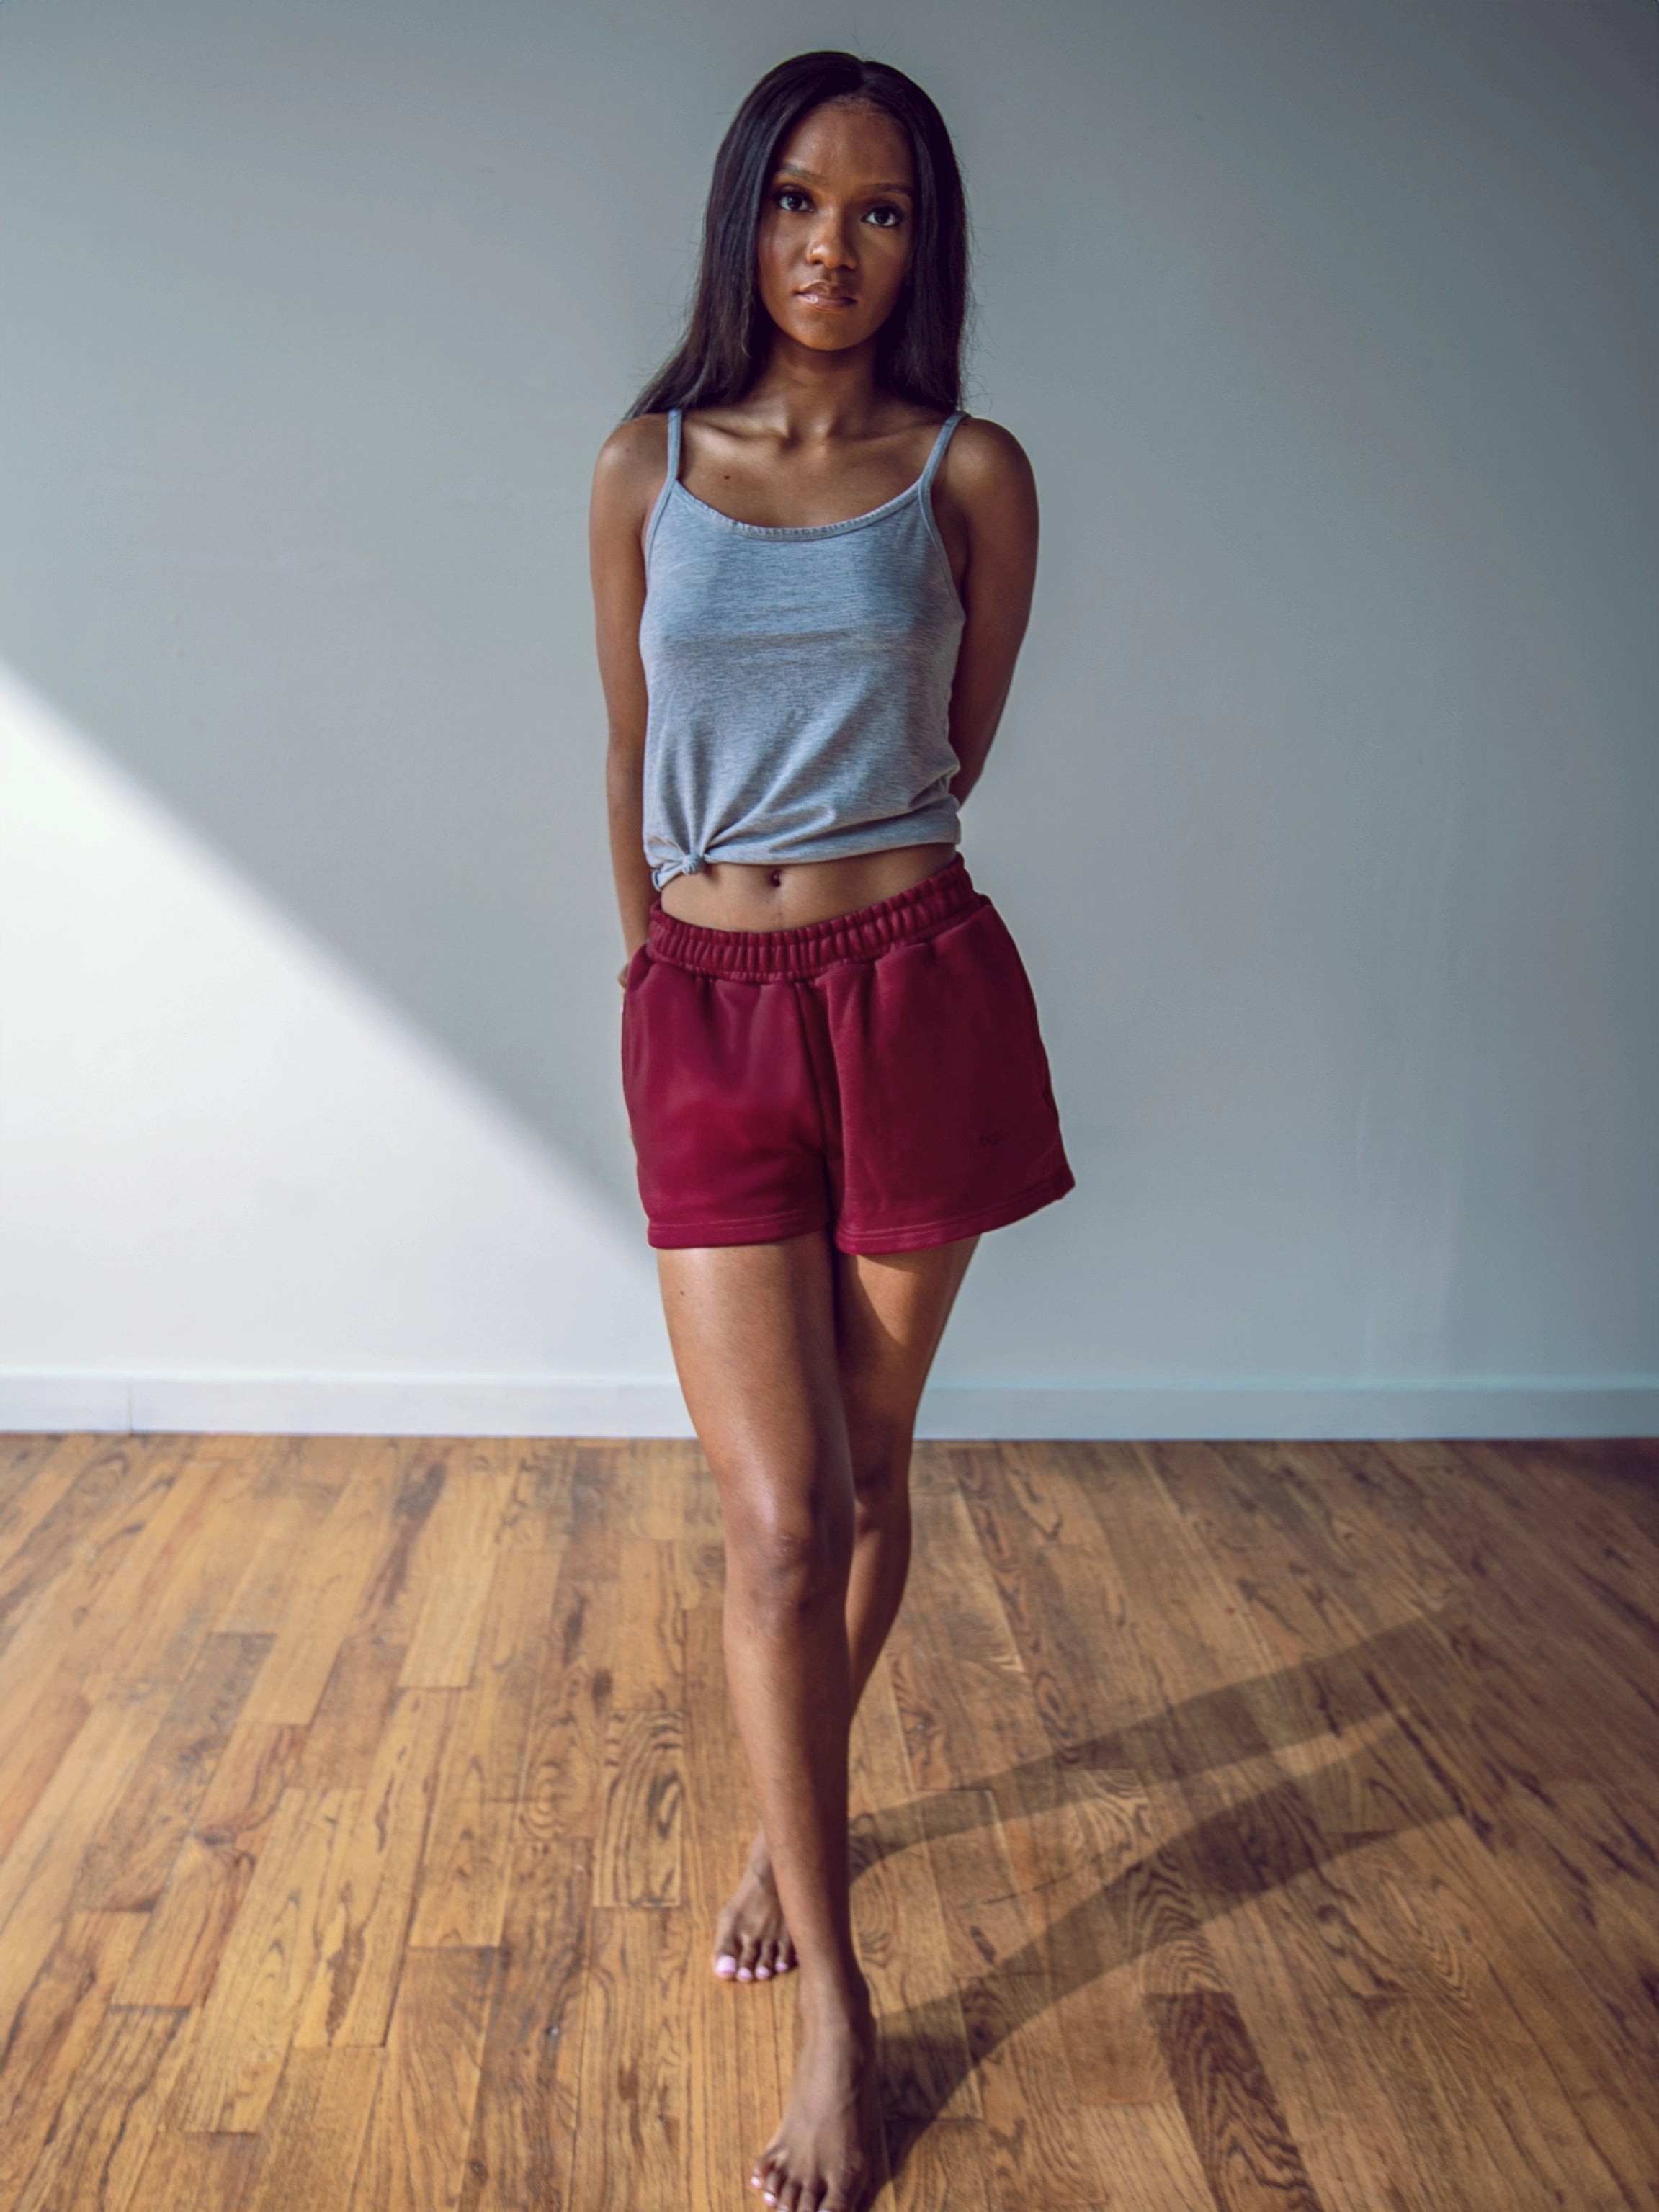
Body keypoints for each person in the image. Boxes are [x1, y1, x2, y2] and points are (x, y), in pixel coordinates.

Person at [589, 49, 1074, 2212]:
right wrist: (668, 979)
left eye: (881, 213)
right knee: (780, 1516)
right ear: (742, 214)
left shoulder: (970, 473)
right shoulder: (643, 466)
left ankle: (797, 1835)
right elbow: (635, 758)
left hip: (913, 991)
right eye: (800, 200)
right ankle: (839, 2003)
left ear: (924, 242)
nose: (833, 248)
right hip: (708, 1008)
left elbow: (948, 748)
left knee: (869, 1482)